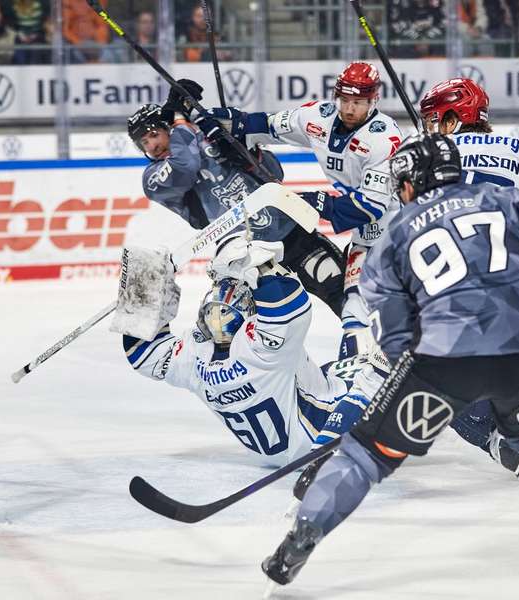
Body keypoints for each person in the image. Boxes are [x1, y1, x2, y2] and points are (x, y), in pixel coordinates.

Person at [261, 133, 519, 591]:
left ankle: (297, 545)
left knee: (364, 455)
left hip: (448, 363)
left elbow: (394, 339)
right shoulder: (503, 198)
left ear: (410, 183)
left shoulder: (391, 239)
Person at [111, 237, 388, 467]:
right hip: (322, 433)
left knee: (329, 371)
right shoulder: (259, 351)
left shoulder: (195, 357)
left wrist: (144, 285)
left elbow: (144, 353)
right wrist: (260, 265)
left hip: (269, 455)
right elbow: (290, 306)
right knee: (380, 359)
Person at [197, 62, 404, 361]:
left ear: (374, 101)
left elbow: (369, 208)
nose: (348, 109)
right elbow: (258, 125)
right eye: (344, 100)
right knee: (354, 310)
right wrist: (211, 120)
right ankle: (360, 376)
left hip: (396, 229)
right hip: (365, 238)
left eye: (358, 103)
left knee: (392, 307)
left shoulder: (383, 138)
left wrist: (316, 201)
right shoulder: (316, 116)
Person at [418, 77, 519, 481]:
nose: (429, 127)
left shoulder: (428, 157)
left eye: (433, 119)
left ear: (452, 118)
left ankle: (498, 439)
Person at [127, 85, 347, 319]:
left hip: (291, 232)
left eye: (153, 134)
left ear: (166, 130)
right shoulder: (153, 178)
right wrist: (180, 119)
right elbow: (186, 165)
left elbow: (275, 174)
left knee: (343, 292)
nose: (152, 145)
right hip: (246, 255)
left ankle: (373, 349)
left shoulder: (204, 138)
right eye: (144, 142)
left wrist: (246, 154)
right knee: (258, 328)